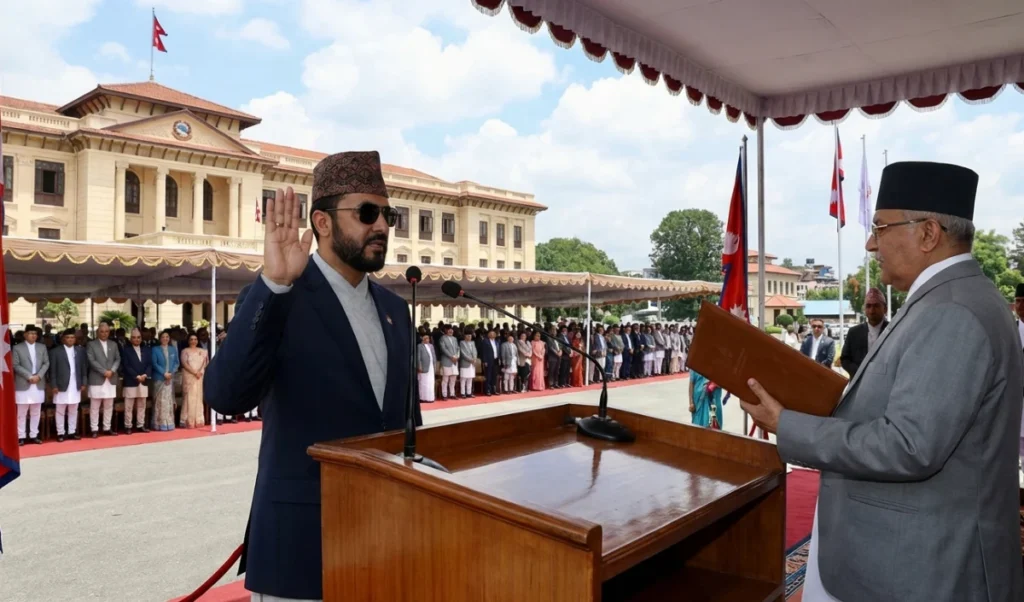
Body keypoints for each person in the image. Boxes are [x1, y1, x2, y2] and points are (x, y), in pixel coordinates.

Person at [742, 161, 1023, 602]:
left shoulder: (952, 311)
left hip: (925, 565)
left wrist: (788, 424)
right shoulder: (947, 298)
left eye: (881, 227)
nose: (872, 244)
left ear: (928, 234)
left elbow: (909, 445)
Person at [204, 151, 417, 602]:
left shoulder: (396, 310)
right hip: (302, 548)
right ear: (321, 223)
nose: (381, 226)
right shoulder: (279, 296)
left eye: (387, 214)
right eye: (366, 213)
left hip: (387, 543)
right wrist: (275, 285)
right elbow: (225, 394)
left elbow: (406, 428)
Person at [840, 287, 888, 377]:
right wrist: (860, 373)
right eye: (868, 306)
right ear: (864, 309)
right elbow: (845, 359)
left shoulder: (894, 330)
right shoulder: (854, 333)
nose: (872, 310)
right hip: (859, 383)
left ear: (885, 309)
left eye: (876, 306)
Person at [49, 329, 86, 442]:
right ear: (63, 339)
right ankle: (60, 433)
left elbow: (84, 368)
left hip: (75, 384)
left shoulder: (80, 350)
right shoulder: (55, 352)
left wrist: (84, 382)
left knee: (73, 409)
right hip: (61, 385)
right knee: (60, 409)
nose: (70, 339)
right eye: (68, 337)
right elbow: (52, 371)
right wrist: (54, 385)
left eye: (72, 337)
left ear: (75, 339)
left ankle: (72, 431)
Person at [13, 325, 48, 445]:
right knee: (22, 412)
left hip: (38, 382)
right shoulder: (17, 348)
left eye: (35, 334)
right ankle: (21, 436)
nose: (33, 335)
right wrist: (29, 376)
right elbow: (16, 365)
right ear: (25, 335)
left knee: (36, 411)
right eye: (30, 333)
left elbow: (46, 363)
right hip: (24, 382)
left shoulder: (42, 347)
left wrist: (38, 376)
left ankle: (34, 435)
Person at [86, 322, 121, 437]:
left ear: (109, 332)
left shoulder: (113, 344)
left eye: (106, 331)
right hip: (97, 378)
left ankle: (107, 427)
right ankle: (94, 429)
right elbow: (91, 361)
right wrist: (104, 371)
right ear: (97, 332)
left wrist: (112, 370)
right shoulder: (91, 344)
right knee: (95, 406)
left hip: (110, 378)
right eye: (102, 331)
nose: (104, 334)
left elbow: (117, 359)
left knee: (109, 405)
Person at [120, 327, 153, 434]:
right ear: (130, 339)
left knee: (142, 404)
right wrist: (136, 375)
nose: (136, 339)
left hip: (143, 380)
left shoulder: (147, 349)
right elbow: (126, 365)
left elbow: (149, 364)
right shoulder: (126, 350)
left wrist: (145, 374)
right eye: (134, 338)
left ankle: (140, 424)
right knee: (129, 405)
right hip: (131, 380)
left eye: (138, 337)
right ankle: (128, 425)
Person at [151, 330, 179, 431]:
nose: (165, 339)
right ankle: (159, 423)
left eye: (167, 337)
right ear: (160, 338)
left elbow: (177, 363)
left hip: (170, 378)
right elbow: (154, 363)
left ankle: (169, 423)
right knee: (160, 402)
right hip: (159, 378)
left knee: (168, 402)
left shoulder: (172, 349)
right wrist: (164, 373)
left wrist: (170, 373)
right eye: (163, 337)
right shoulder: (155, 349)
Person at [180, 333, 209, 428]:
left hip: (199, 377)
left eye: (195, 339)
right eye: (191, 339)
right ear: (188, 341)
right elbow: (184, 363)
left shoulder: (203, 351)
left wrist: (199, 372)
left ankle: (199, 420)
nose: (193, 341)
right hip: (189, 377)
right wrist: (194, 372)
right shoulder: (185, 351)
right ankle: (188, 420)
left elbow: (205, 363)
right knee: (189, 398)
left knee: (198, 397)